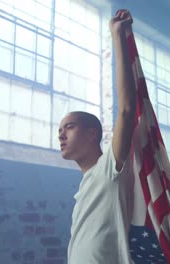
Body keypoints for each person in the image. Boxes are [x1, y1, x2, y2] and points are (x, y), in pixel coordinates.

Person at [58, 9, 137, 264]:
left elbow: (126, 111)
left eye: (69, 127)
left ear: (93, 133)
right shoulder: (86, 183)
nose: (61, 135)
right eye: (59, 130)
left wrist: (118, 37)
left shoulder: (109, 170)